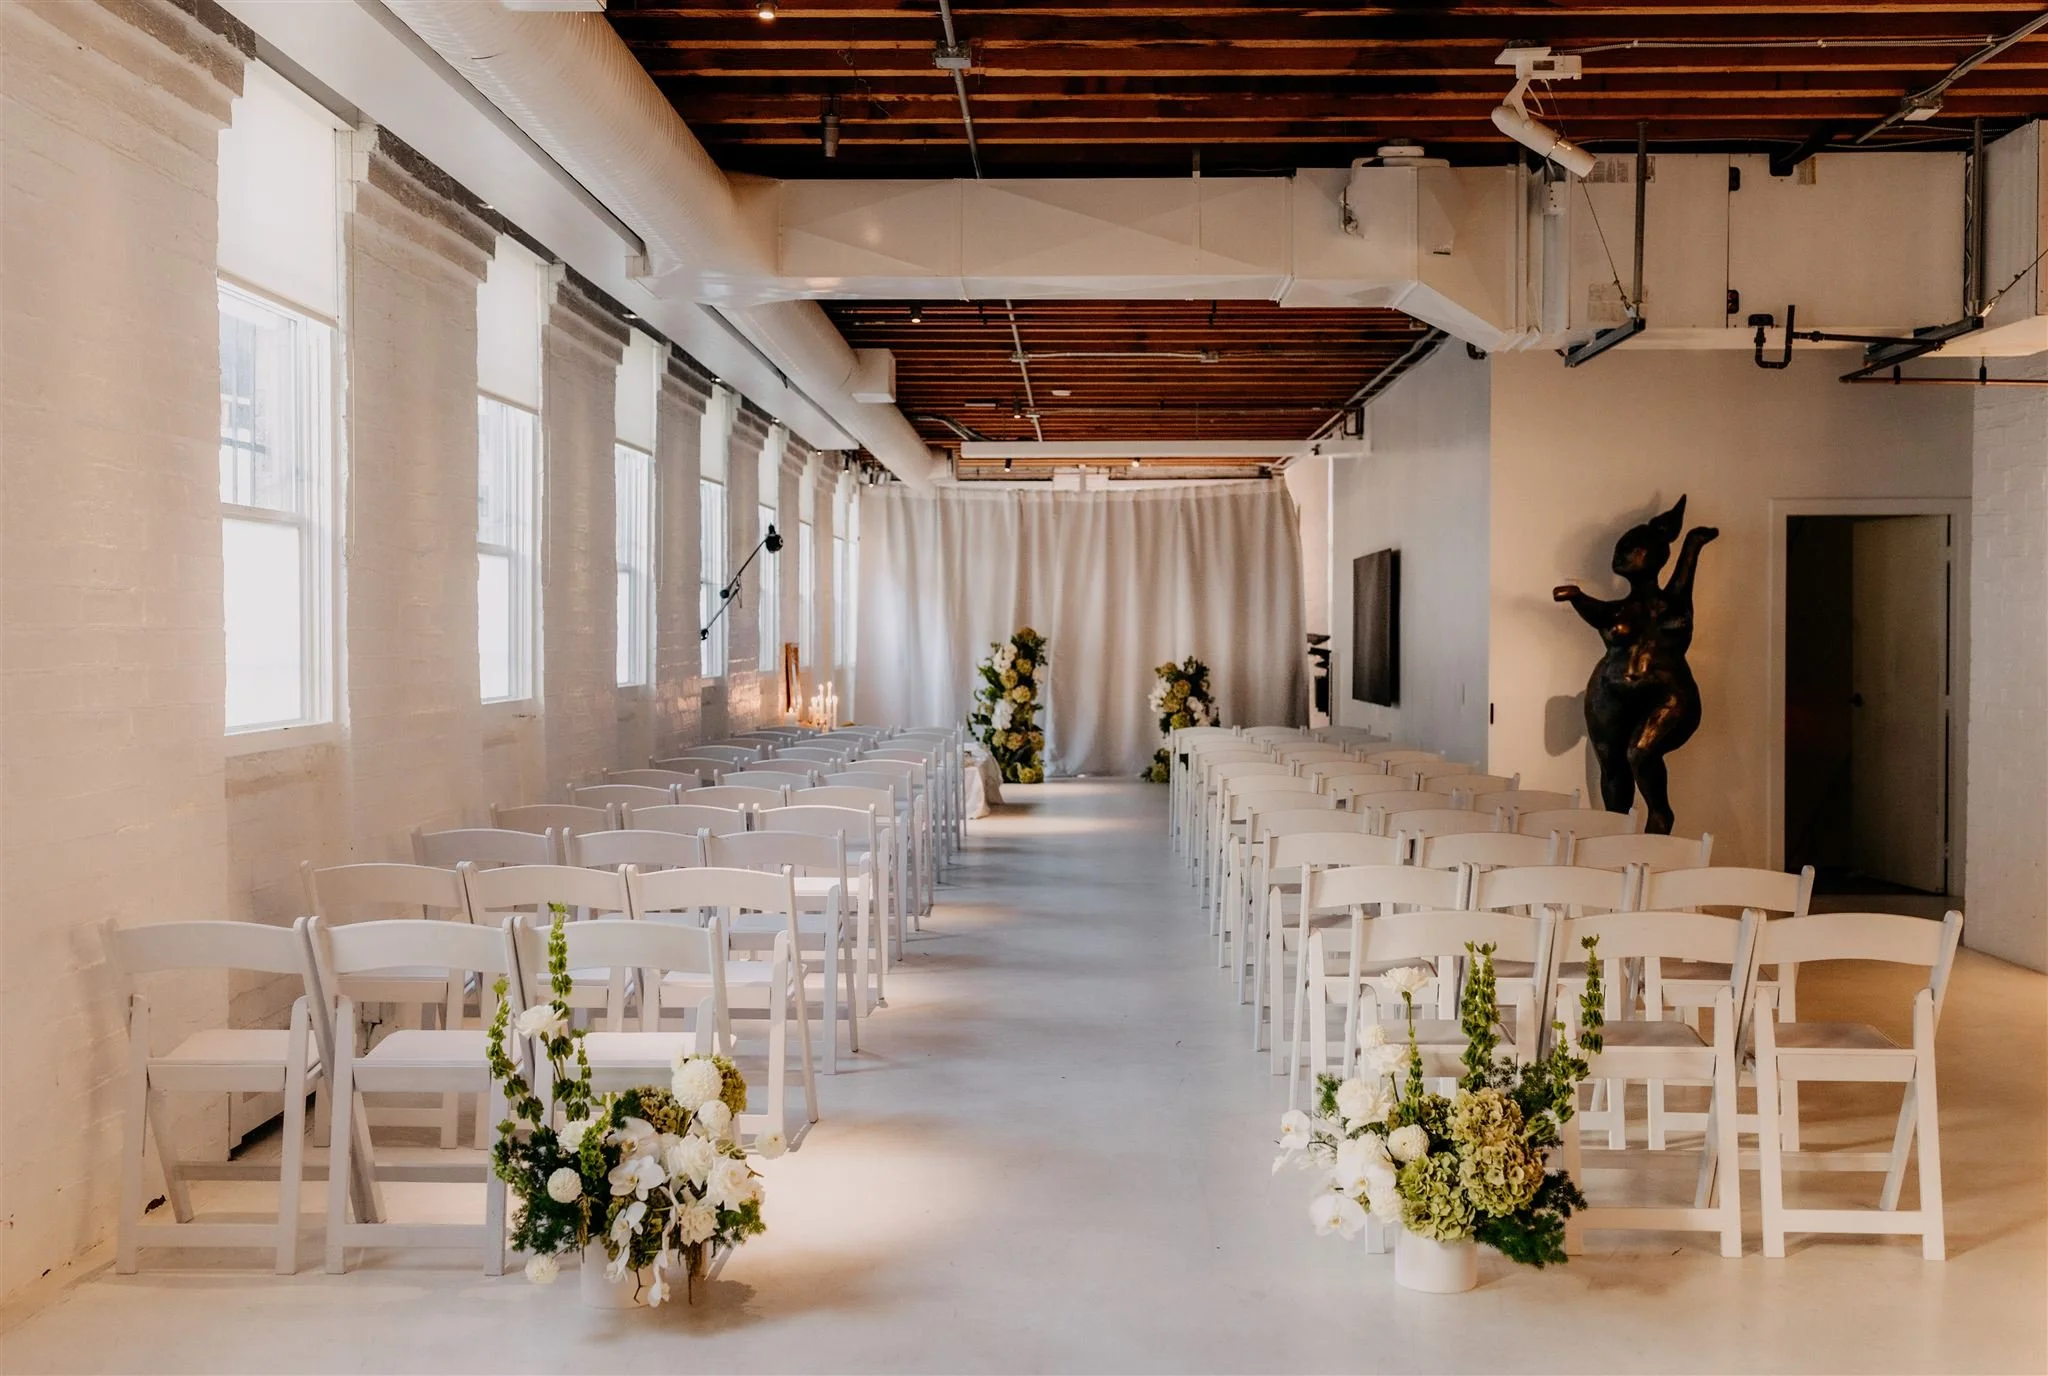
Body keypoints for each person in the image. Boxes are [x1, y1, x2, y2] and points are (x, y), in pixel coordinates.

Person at [1553, 495, 1718, 835]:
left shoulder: (1672, 601)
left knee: (1640, 753)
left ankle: (1659, 816)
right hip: (1610, 697)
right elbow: (1598, 612)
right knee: (1613, 766)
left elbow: (1684, 580)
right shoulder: (1617, 610)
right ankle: (1618, 839)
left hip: (1668, 695)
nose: (1622, 556)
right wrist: (1576, 597)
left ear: (1653, 555)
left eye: (1630, 549)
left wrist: (1692, 545)